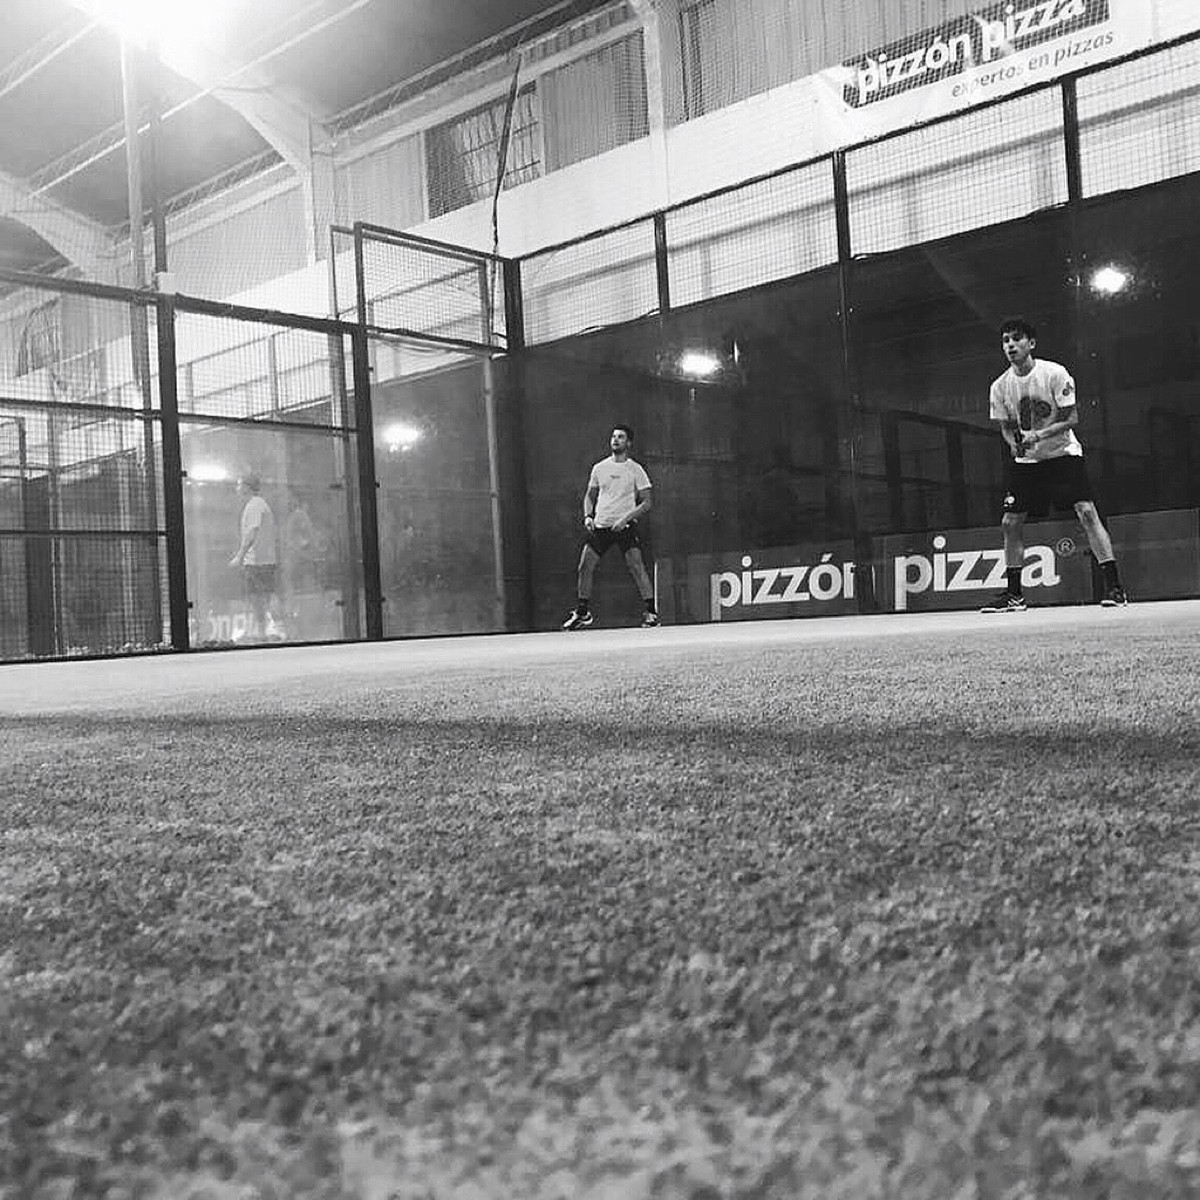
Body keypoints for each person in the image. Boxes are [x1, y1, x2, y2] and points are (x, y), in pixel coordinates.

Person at [981, 318, 1127, 612]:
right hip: (1027, 461)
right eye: (1006, 340)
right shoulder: (999, 386)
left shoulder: (1055, 373)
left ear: (1031, 343)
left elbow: (1072, 418)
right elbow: (1006, 427)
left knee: (1086, 512)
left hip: (1063, 454)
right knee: (1010, 522)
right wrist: (1013, 444)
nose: (1010, 345)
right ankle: (1014, 595)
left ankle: (1115, 588)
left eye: (1017, 339)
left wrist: (1039, 435)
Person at [563, 424, 660, 629]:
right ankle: (583, 612)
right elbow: (589, 496)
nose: (615, 440)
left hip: (625, 527)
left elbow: (647, 502)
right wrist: (588, 517)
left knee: (636, 566)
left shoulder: (636, 469)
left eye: (621, 437)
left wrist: (625, 519)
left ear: (628, 443)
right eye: (614, 436)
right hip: (600, 527)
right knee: (584, 566)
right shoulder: (599, 468)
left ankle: (651, 613)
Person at [229, 473, 281, 640]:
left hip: (258, 562)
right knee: (259, 597)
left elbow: (252, 533)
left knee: (263, 596)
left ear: (247, 487)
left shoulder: (255, 505)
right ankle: (263, 631)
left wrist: (239, 556)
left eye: (239, 484)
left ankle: (277, 629)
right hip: (260, 561)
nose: (237, 488)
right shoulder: (256, 505)